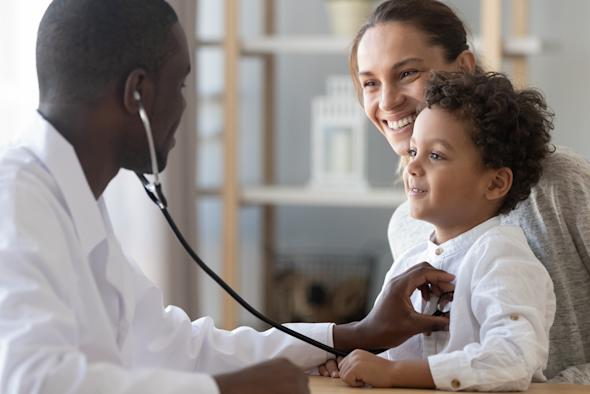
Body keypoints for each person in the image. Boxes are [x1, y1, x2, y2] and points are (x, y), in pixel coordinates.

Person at [0, 1, 456, 393]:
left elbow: (179, 347)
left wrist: (353, 333)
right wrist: (223, 390)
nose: (185, 107)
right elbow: (34, 381)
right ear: (137, 94)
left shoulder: (72, 201)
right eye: (180, 86)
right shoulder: (14, 199)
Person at [320, 0, 590, 384]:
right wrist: (354, 357)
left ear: (463, 67)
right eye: (370, 83)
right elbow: (430, 356)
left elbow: (506, 358)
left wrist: (558, 387)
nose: (387, 100)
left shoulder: (563, 184)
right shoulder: (411, 226)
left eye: (408, 72)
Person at [338, 70, 556, 391]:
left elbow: (512, 358)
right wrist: (351, 361)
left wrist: (392, 373)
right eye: (413, 151)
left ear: (495, 183)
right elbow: (384, 355)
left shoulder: (503, 259)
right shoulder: (407, 265)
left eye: (435, 155)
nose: (412, 166)